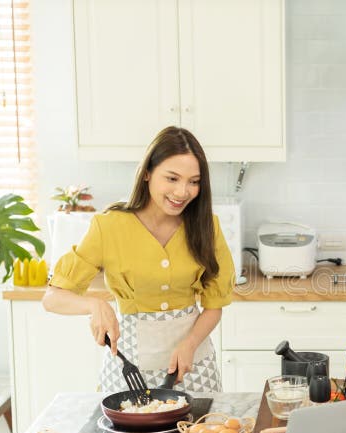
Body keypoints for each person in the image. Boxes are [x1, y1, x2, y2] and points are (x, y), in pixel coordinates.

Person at [42, 126, 235, 392]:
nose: (182, 192)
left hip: (194, 366)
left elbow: (214, 305)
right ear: (147, 173)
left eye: (194, 181)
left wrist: (190, 343)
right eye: (172, 178)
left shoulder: (206, 226)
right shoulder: (109, 226)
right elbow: (52, 298)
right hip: (128, 370)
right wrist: (94, 306)